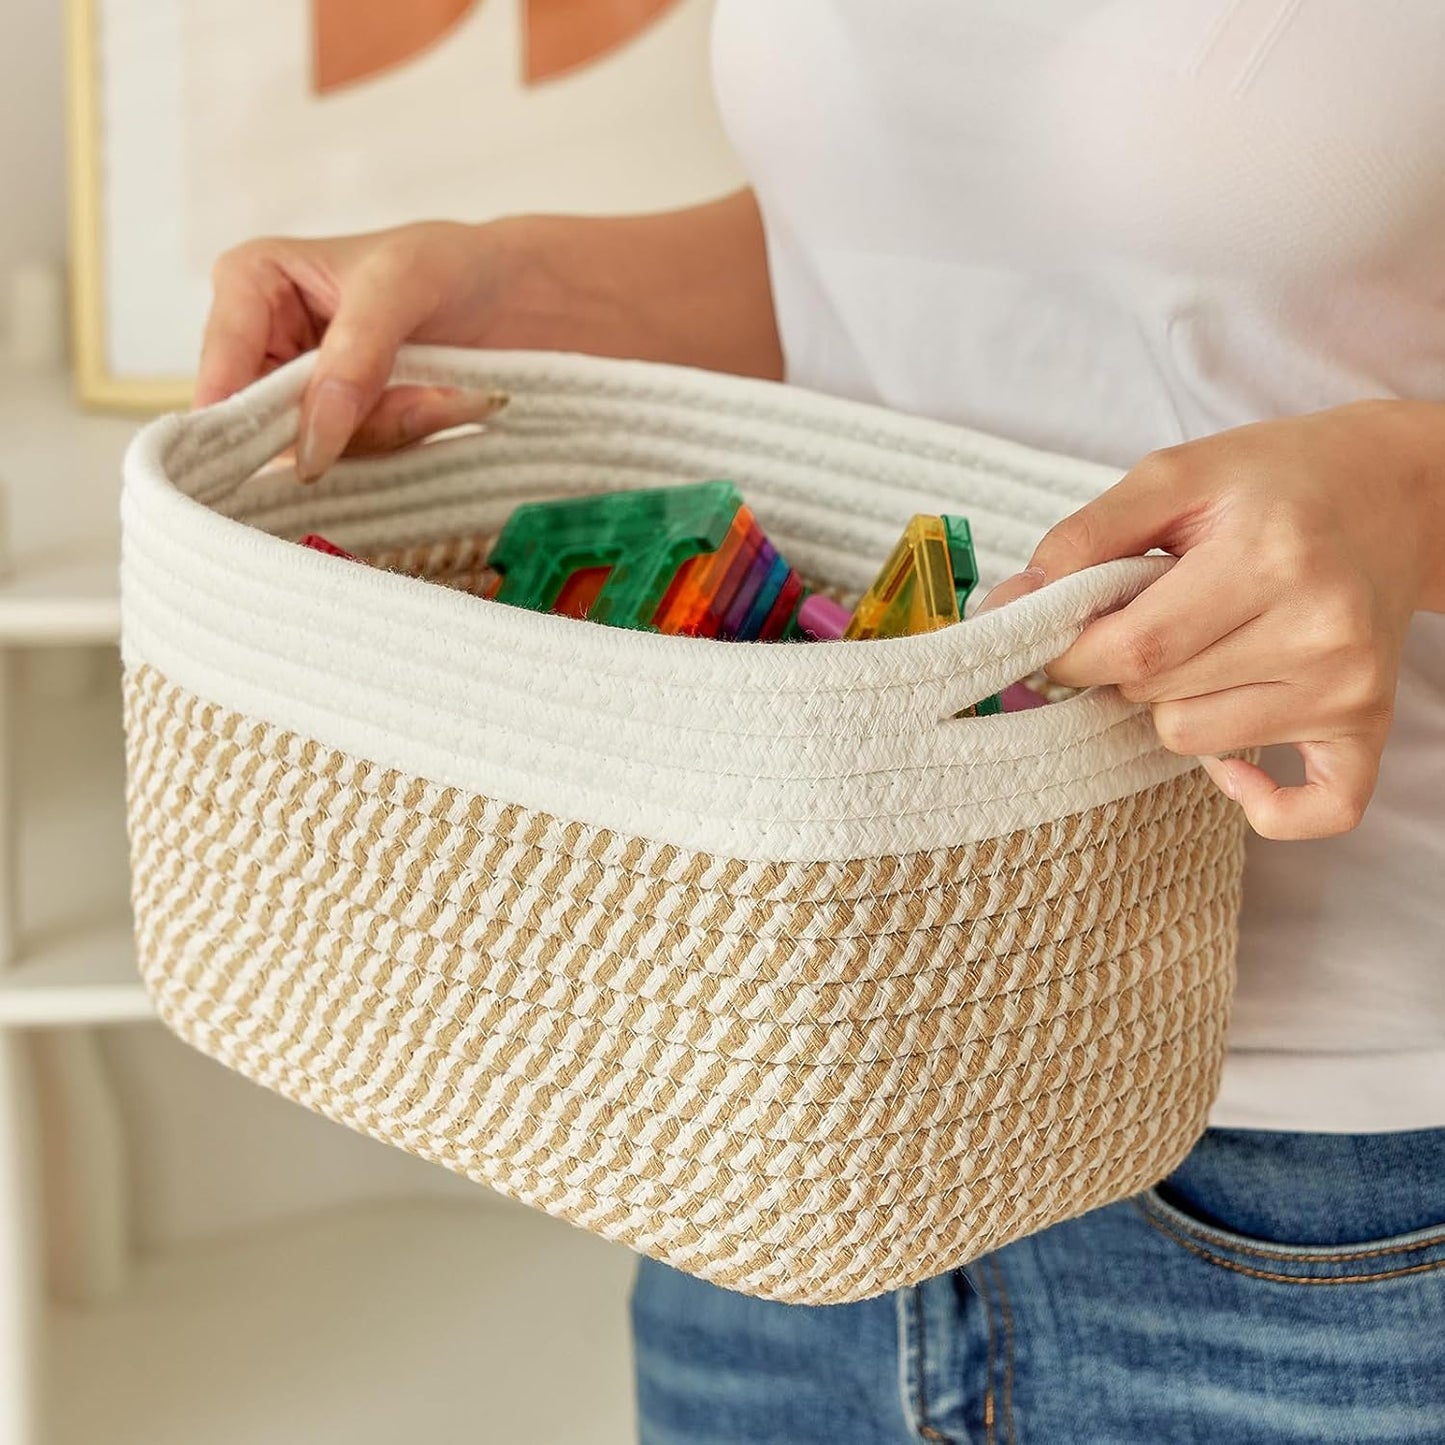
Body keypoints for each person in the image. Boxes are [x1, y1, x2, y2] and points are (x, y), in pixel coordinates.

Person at [196, 4, 1444, 1440]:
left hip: (1332, 1189)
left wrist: (1402, 495)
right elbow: (908, 253)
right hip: (783, 1091)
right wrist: (507, 279)